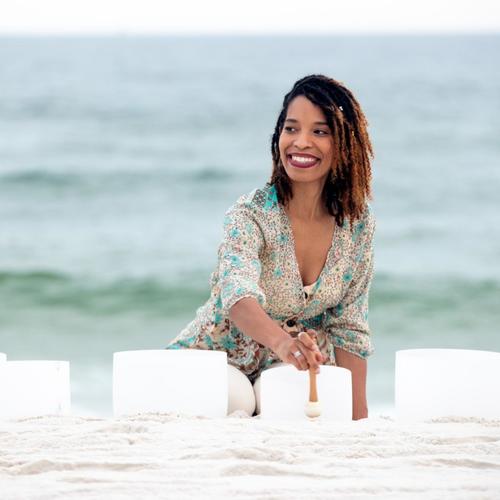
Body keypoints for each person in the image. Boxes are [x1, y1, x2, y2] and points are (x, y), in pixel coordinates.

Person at [166, 74, 375, 420]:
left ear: (344, 143)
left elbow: (350, 328)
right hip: (214, 361)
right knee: (236, 397)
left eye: (320, 131)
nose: (301, 142)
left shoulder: (356, 223)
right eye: (291, 129)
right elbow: (237, 293)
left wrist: (360, 422)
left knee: (293, 399)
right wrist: (283, 342)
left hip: (288, 369)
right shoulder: (251, 214)